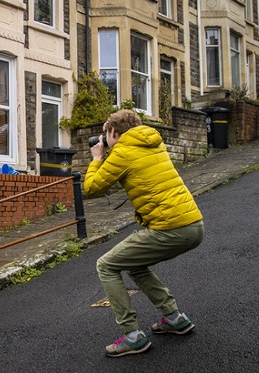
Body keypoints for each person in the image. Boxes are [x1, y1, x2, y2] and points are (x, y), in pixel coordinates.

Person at [83, 109, 204, 358]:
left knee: (106, 265)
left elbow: (91, 189)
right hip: (193, 224)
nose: (104, 139)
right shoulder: (154, 145)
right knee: (136, 265)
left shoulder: (123, 152)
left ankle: (132, 336)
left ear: (114, 132)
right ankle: (174, 319)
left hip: (169, 228)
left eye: (106, 134)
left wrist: (97, 158)